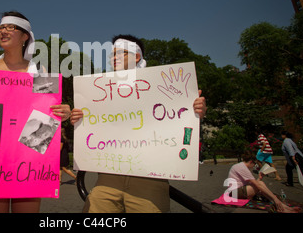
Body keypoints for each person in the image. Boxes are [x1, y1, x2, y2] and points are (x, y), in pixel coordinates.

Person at [70, 34, 207, 213]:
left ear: (136, 56)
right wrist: (78, 118)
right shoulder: (99, 90)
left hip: (149, 180)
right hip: (108, 178)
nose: (113, 58)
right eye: (112, 54)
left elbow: (179, 122)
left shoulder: (163, 86)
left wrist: (195, 110)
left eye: (120, 53)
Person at [0, 10, 71, 213]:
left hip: (27, 160)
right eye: (0, 27)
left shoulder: (39, 72)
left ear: (25, 36)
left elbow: (48, 115)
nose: (3, 31)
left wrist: (63, 112)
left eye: (10, 27)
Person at [227, 151, 300, 213]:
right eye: (254, 164)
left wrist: (260, 178)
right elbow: (257, 185)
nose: (253, 166)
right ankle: (279, 204)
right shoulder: (242, 168)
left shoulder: (241, 166)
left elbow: (254, 185)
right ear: (251, 162)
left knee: (262, 187)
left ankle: (282, 206)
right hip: (235, 192)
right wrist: (274, 198)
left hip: (237, 191)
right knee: (261, 185)